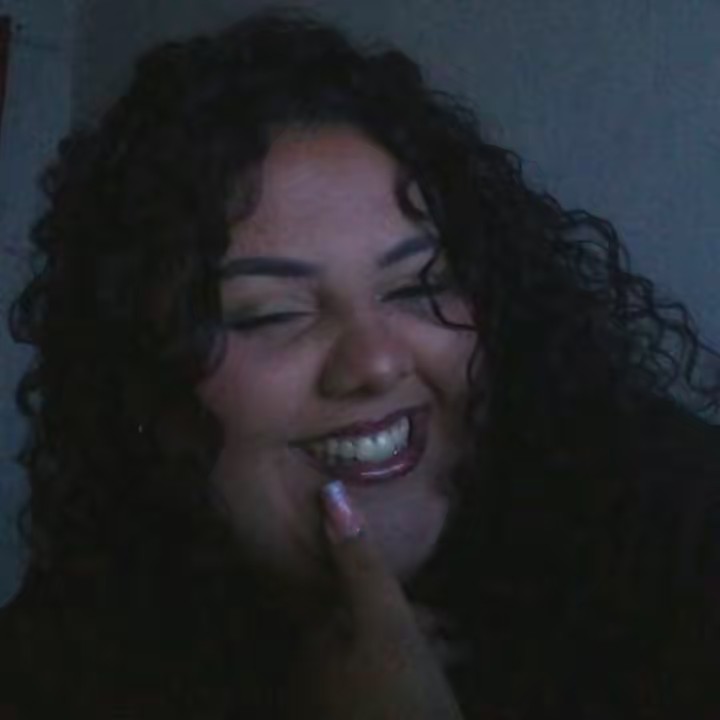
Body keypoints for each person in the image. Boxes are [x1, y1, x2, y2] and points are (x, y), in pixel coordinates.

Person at [1, 8, 719, 719]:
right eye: (270, 312)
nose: (375, 363)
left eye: (419, 286)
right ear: (144, 382)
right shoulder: (58, 659)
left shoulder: (680, 537)